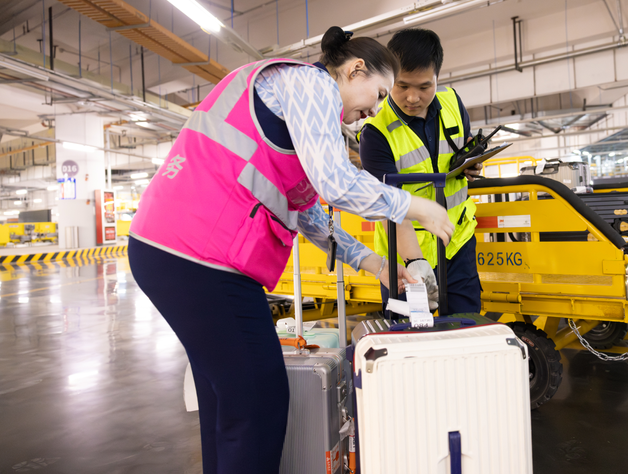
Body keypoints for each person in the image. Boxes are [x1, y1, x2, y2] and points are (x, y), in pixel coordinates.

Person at [127, 26, 454, 474]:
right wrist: (418, 207)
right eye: (376, 95)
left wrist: (376, 264)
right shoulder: (307, 84)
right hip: (198, 257)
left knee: (229, 401)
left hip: (176, 253)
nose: (371, 112)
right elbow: (337, 184)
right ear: (354, 69)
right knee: (258, 400)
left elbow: (310, 215)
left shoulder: (304, 125)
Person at [359, 28, 482, 315]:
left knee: (466, 329)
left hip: (457, 241)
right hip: (405, 254)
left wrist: (472, 165)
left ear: (437, 78)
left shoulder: (452, 102)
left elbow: (461, 153)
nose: (412, 97)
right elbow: (390, 203)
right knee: (410, 339)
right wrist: (416, 262)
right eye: (402, 86)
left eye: (424, 87)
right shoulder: (375, 133)